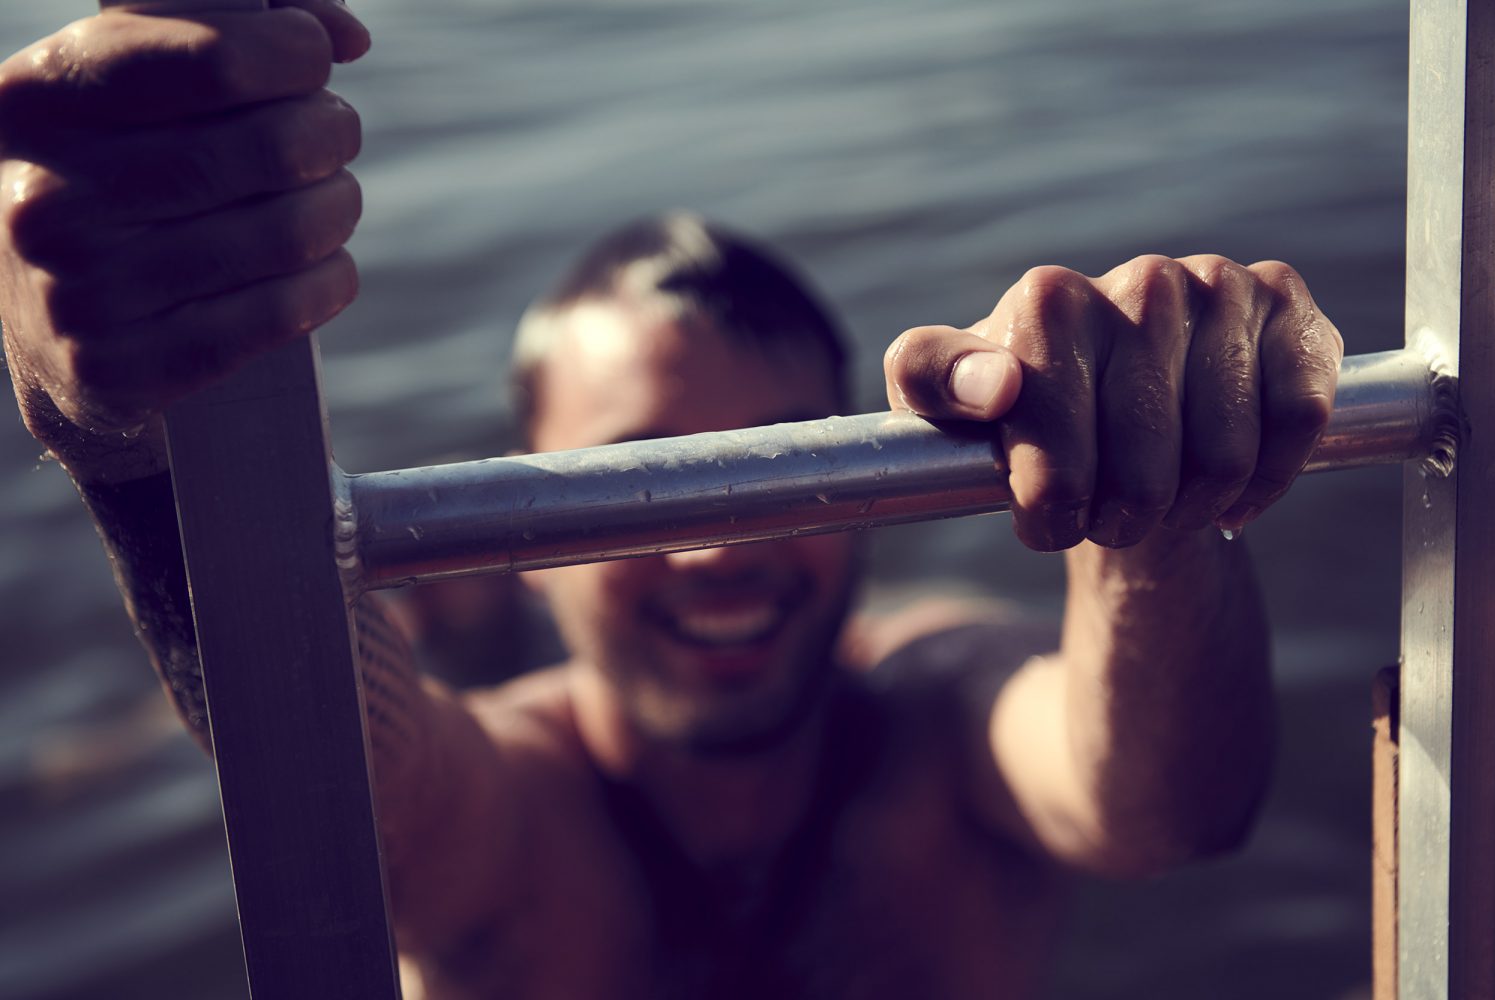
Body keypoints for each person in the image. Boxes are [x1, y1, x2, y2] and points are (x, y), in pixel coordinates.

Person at [0, 4, 1344, 999]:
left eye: (777, 463)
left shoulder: (933, 715)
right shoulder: (520, 809)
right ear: (525, 534)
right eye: (635, 483)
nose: (717, 544)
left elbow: (1163, 807)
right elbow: (349, 810)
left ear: (863, 491)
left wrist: (1146, 499)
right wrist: (139, 449)